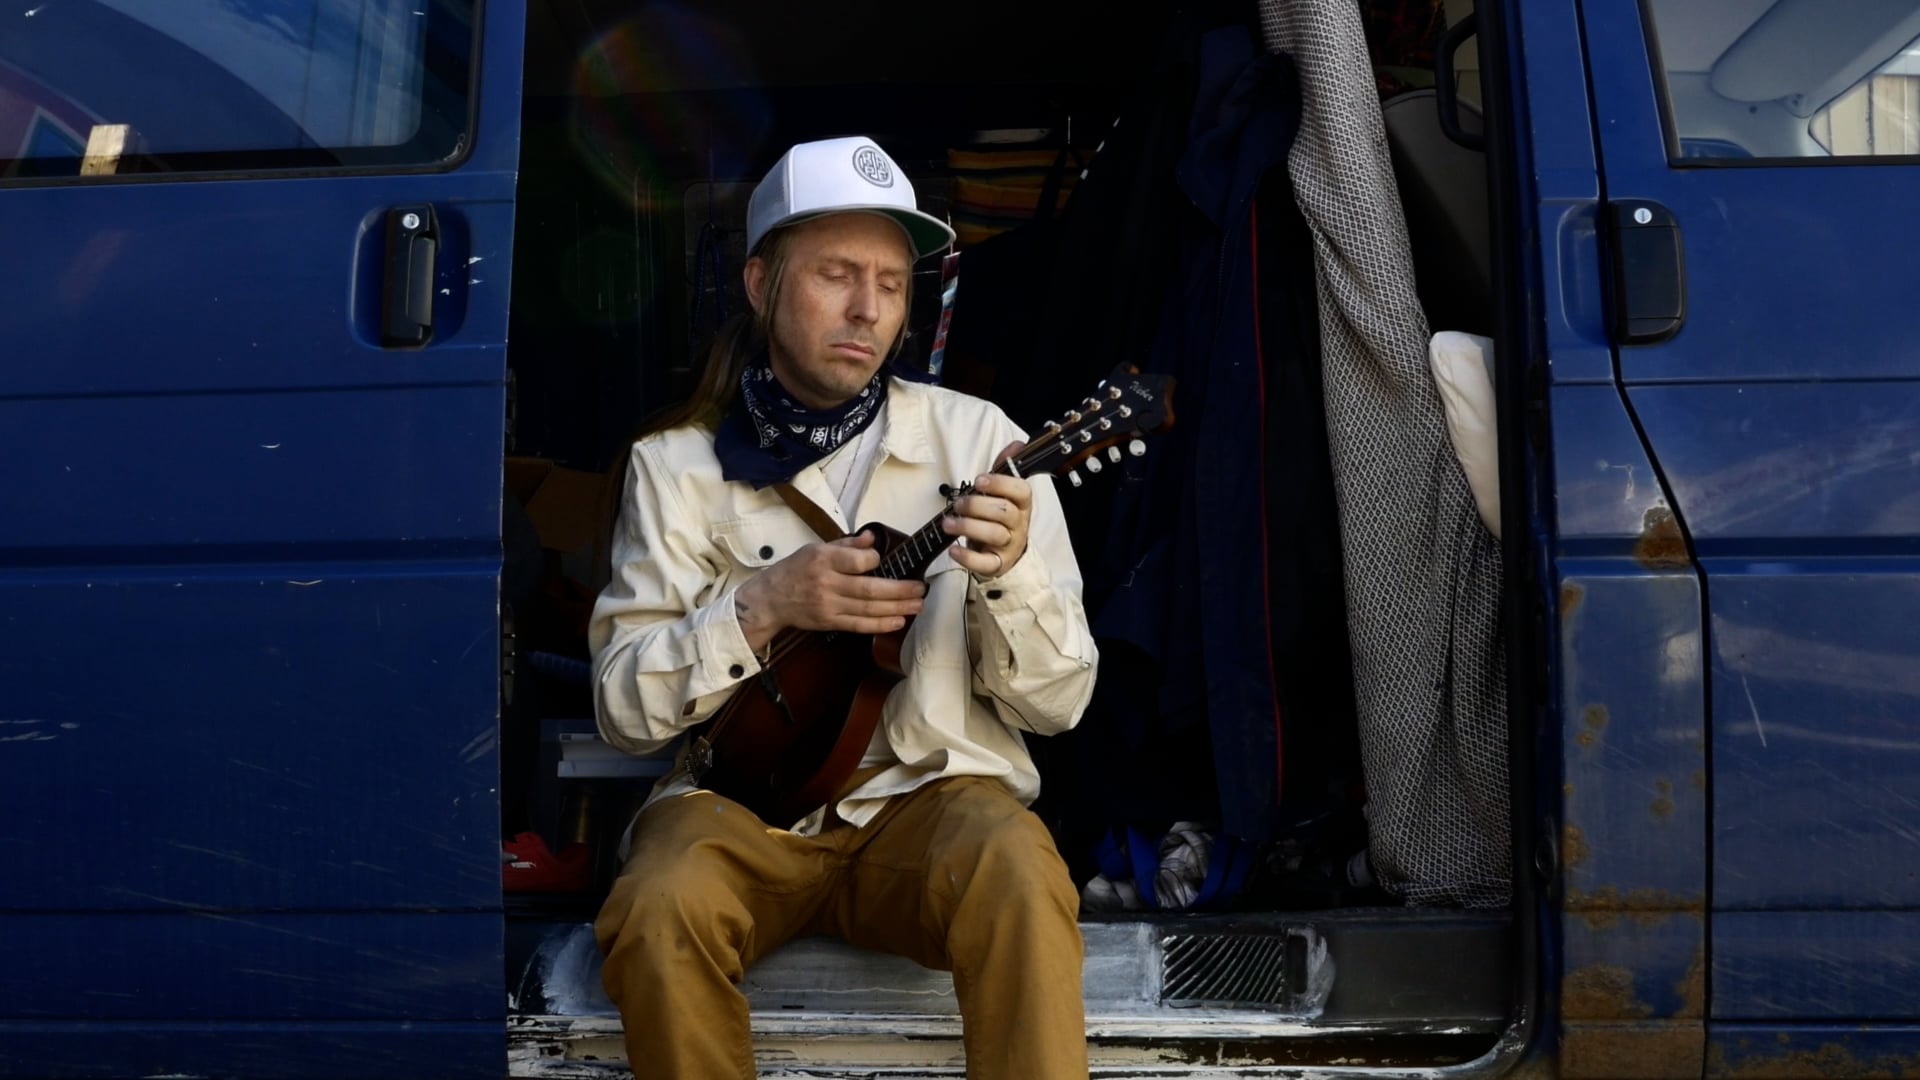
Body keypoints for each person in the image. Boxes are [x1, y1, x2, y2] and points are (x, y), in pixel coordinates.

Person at [587, 135, 1099, 1080]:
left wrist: (1009, 573)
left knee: (1022, 871)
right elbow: (622, 710)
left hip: (930, 806)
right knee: (659, 904)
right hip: (742, 815)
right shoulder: (675, 467)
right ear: (759, 283)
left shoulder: (983, 442)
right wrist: (762, 604)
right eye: (835, 275)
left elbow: (1058, 707)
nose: (869, 309)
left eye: (893, 284)